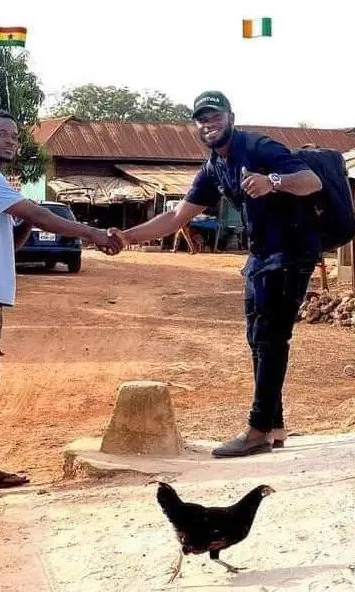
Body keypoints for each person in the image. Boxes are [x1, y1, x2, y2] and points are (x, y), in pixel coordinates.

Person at [113, 91, 322, 458]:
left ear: (231, 117)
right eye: (202, 119)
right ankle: (274, 426)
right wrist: (126, 236)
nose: (209, 124)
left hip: (291, 253)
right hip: (259, 257)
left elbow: (311, 181)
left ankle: (257, 430)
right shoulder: (214, 167)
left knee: (271, 338)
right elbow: (178, 217)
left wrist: (272, 181)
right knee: (256, 338)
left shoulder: (258, 147)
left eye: (215, 117)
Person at [0, 110, 123, 499]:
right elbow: (38, 213)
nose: (9, 141)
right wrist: (92, 233)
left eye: (14, 137)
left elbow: (15, 242)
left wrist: (24, 219)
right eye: (0, 134)